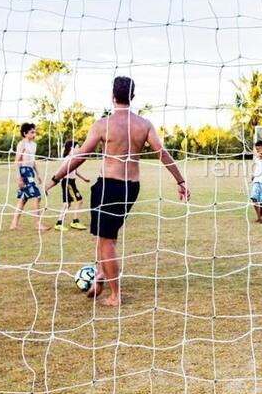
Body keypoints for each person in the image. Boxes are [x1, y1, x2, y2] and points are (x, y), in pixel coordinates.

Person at [45, 75, 190, 307]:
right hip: (131, 188)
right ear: (132, 97)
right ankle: (101, 273)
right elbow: (162, 153)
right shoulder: (144, 125)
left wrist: (55, 177)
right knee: (105, 236)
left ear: (112, 96)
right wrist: (181, 181)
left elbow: (81, 156)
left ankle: (115, 295)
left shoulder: (103, 124)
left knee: (107, 241)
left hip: (108, 187)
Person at [10, 122, 46, 231]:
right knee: (37, 196)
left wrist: (38, 174)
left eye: (35, 132)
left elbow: (33, 161)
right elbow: (17, 161)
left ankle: (14, 224)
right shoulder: (22, 144)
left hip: (30, 172)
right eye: (32, 132)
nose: (34, 134)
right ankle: (38, 224)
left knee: (23, 199)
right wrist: (18, 176)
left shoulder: (34, 145)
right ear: (25, 133)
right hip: (24, 171)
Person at [54, 139, 91, 231]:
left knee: (67, 204)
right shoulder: (68, 159)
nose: (78, 150)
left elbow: (75, 171)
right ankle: (75, 221)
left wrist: (84, 178)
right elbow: (61, 170)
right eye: (77, 148)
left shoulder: (73, 159)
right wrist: (54, 180)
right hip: (67, 182)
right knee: (79, 201)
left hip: (71, 182)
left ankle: (59, 223)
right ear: (71, 148)